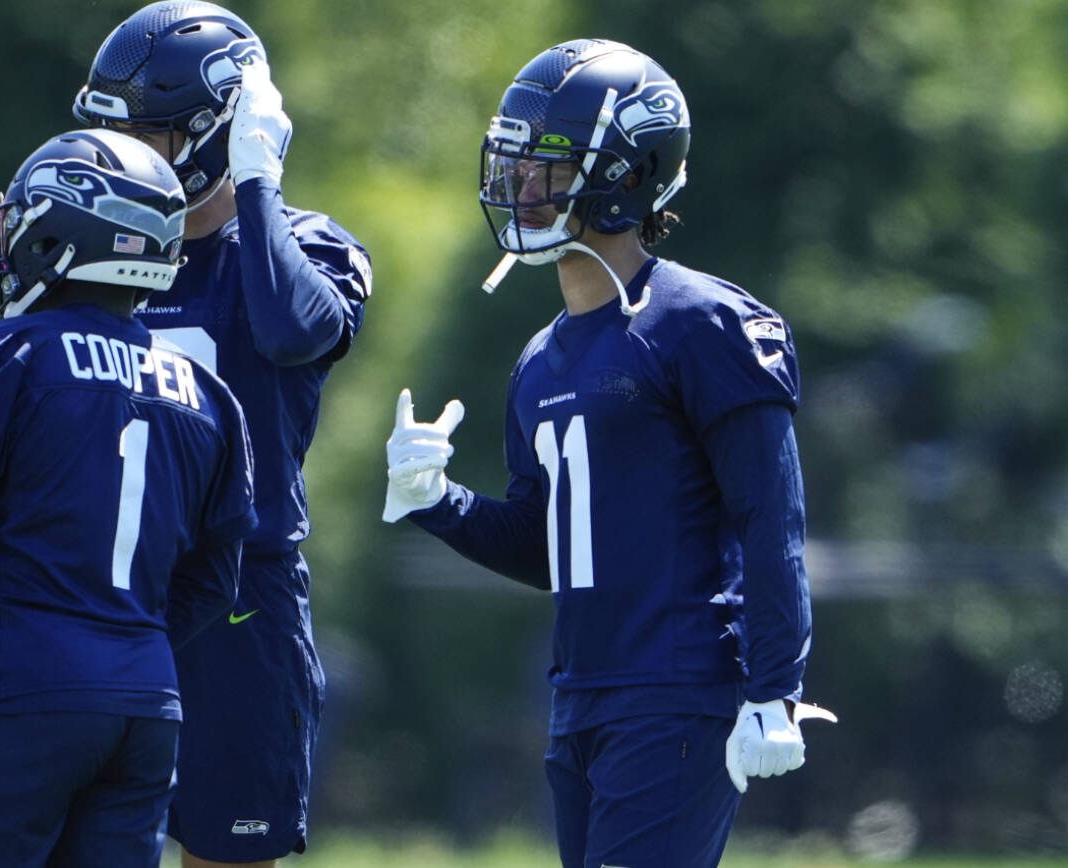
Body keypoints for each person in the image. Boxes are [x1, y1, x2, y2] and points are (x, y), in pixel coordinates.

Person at [383, 39, 834, 868]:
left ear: (625, 176)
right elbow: (551, 547)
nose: (521, 188)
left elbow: (772, 520)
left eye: (548, 170)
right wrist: (438, 501)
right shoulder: (540, 357)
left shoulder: (703, 322)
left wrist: (776, 688)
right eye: (516, 167)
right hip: (582, 697)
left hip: (679, 690)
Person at [0, 127, 257, 868]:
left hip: (21, 678)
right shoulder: (211, 393)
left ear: (60, 231)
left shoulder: (1, 355)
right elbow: (217, 576)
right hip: (146, 705)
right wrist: (125, 642)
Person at [71, 3, 372, 865]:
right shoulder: (98, 243)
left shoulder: (305, 246)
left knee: (226, 855)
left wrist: (258, 179)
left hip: (239, 601)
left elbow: (287, 328)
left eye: (150, 136)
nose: (123, 158)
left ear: (222, 129)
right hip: (96, 589)